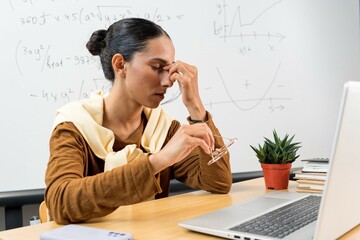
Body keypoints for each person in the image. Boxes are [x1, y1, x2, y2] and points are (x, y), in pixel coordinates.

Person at [45, 17, 232, 224]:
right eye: (156, 67)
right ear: (120, 65)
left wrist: (196, 108)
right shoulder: (74, 126)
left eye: (169, 69)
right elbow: (60, 202)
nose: (167, 81)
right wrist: (158, 161)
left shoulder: (163, 128)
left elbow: (219, 182)